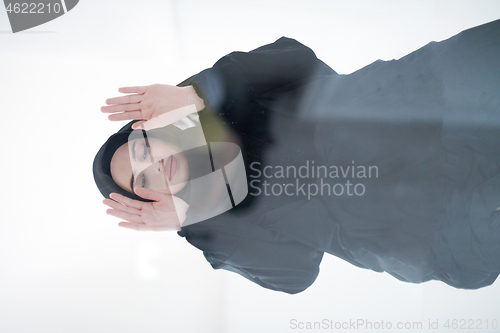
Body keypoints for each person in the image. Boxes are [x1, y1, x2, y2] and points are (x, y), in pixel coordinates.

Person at [94, 19, 500, 294]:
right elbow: (294, 275)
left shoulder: (225, 101)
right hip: (447, 221)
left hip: (437, 106)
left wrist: (193, 95)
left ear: (154, 129)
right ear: (154, 203)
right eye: (143, 181)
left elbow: (294, 57)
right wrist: (192, 215)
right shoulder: (220, 228)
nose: (153, 166)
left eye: (142, 150)